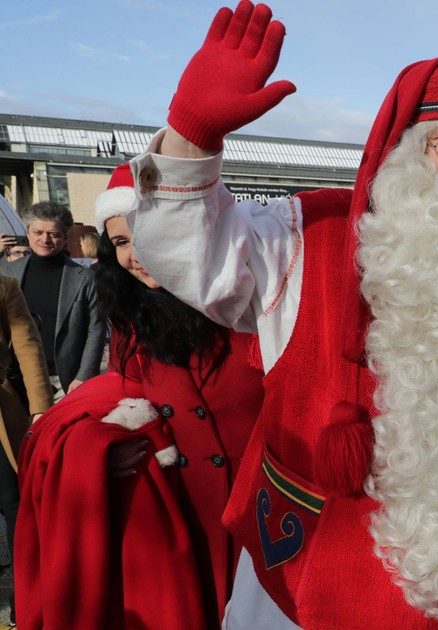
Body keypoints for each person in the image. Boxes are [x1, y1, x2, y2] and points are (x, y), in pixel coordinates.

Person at [122, 3, 438, 627]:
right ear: (411, 155)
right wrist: (191, 137)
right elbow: (191, 257)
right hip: (311, 584)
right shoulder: (312, 236)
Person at [15, 163, 267, 627]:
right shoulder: (133, 317)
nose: (138, 254)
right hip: (187, 524)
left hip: (263, 526)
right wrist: (96, 449)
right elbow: (128, 392)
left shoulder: (258, 303)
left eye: (149, 233)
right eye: (123, 241)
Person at [0, 201, 105, 399]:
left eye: (54, 234)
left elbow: (96, 329)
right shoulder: (6, 272)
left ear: (65, 237)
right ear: (28, 232)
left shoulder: (85, 278)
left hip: (65, 380)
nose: (45, 239)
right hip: (13, 378)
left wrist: (84, 375)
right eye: (38, 232)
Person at [0, 273, 54, 617]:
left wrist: (40, 410)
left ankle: (26, 602)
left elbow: (28, 346)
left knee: (15, 506)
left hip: (3, 418)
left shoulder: (4, 286)